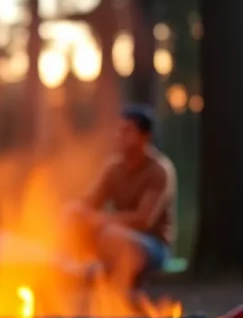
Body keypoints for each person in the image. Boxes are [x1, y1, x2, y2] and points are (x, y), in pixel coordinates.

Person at [67, 104, 177, 289]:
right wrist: (75, 210)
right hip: (114, 235)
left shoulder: (159, 170)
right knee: (72, 217)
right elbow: (91, 201)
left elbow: (144, 220)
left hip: (153, 246)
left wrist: (102, 220)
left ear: (145, 136)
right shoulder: (113, 168)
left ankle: (111, 288)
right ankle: (71, 272)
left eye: (127, 131)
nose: (120, 136)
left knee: (111, 236)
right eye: (119, 130)